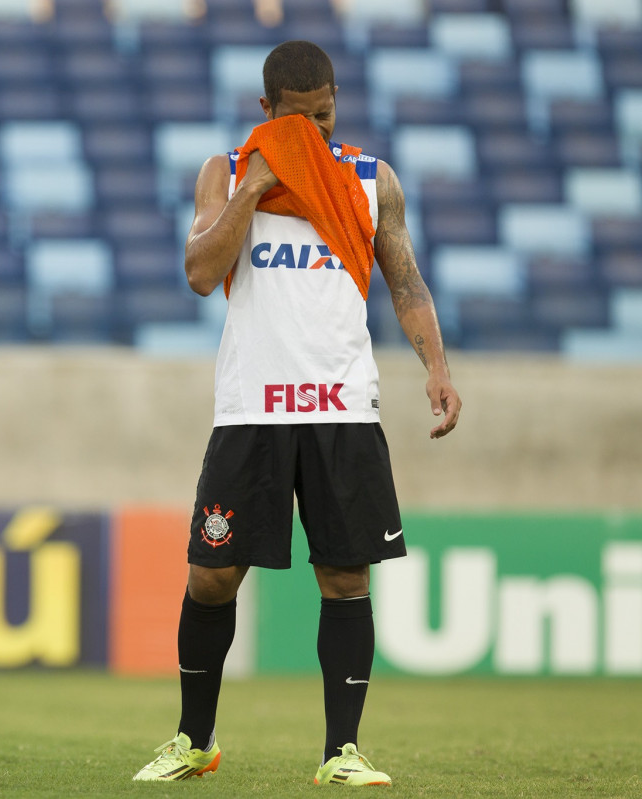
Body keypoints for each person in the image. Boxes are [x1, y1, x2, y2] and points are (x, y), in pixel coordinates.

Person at [133, 40, 461, 786]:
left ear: (337, 101)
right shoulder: (226, 168)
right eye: (298, 120)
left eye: (325, 115)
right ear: (266, 112)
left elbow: (405, 280)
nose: (313, 132)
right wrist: (254, 188)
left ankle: (341, 751)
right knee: (212, 573)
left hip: (343, 408)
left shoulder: (373, 180)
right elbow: (199, 271)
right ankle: (194, 741)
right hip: (251, 408)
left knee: (346, 577)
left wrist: (436, 368)